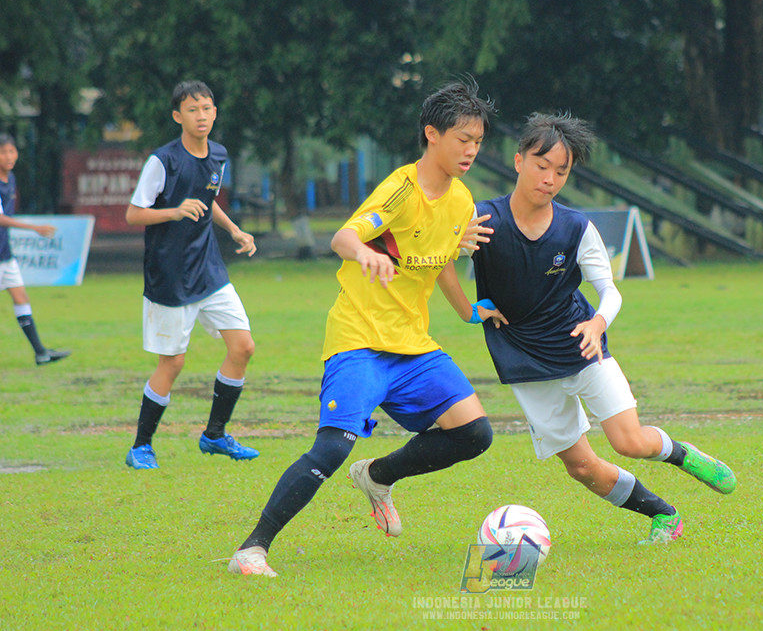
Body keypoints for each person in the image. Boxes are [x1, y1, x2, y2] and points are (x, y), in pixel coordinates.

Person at [229, 79, 499, 577]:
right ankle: (252, 548)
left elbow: (440, 262)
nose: (471, 150)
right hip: (359, 339)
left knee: (475, 434)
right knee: (332, 446)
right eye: (463, 138)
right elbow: (344, 236)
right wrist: (363, 257)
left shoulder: (462, 201)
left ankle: (377, 476)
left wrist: (468, 312)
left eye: (478, 141)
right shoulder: (400, 188)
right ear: (432, 135)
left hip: (413, 345)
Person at [437, 113, 736, 545]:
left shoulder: (576, 228)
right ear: (519, 161)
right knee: (581, 468)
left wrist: (597, 322)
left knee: (629, 442)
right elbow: (439, 260)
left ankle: (682, 454)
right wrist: (468, 311)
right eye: (542, 166)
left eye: (562, 171)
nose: (550, 179)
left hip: (581, 345)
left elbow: (609, 290)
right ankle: (664, 515)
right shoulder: (482, 219)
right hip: (523, 359)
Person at [124, 81, 260, 470]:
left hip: (210, 269)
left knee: (243, 347)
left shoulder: (218, 154)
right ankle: (141, 447)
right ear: (177, 116)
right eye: (193, 109)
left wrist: (233, 230)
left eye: (207, 108)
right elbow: (135, 214)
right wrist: (174, 211)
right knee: (173, 362)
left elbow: (207, 201)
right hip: (170, 275)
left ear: (215, 112)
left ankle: (214, 435)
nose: (201, 116)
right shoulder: (162, 161)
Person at [0, 134, 72, 365]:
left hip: (4, 253)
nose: (9, 157)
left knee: (21, 297)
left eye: (12, 151)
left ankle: (41, 352)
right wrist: (34, 228)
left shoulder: (10, 179)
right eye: (4, 152)